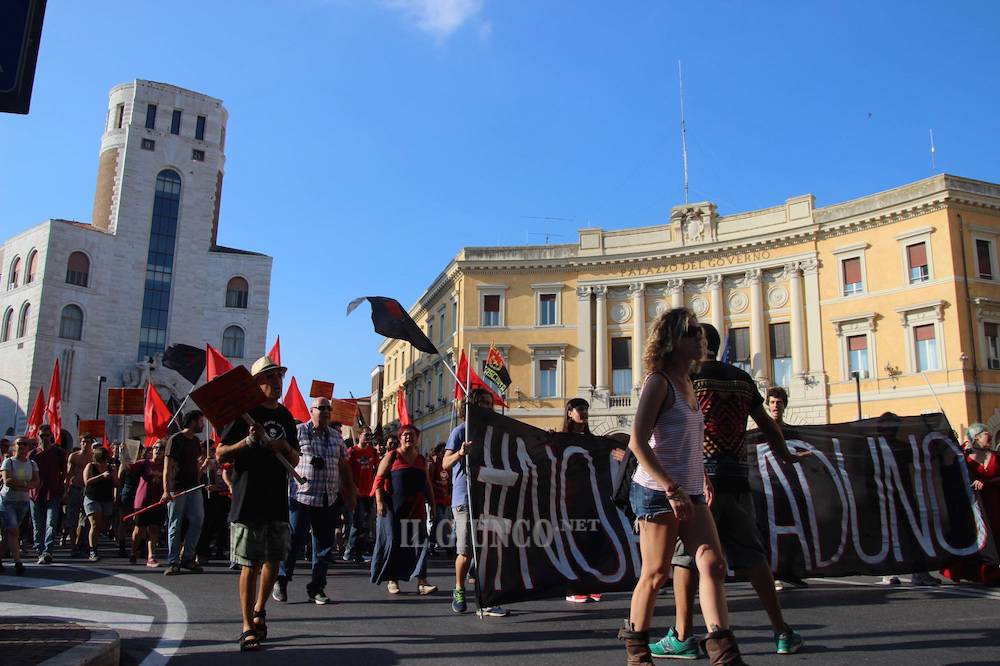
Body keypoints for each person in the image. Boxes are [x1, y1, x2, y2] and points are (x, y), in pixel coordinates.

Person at [647, 322, 805, 661]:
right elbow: (767, 425)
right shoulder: (741, 378)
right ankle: (781, 631)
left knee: (686, 558)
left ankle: (683, 636)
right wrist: (786, 455)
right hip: (736, 477)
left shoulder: (686, 380)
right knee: (753, 556)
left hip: (697, 481)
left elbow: (690, 429)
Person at [618, 309, 746, 666]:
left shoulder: (688, 381)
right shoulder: (658, 382)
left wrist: (699, 474)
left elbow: (687, 440)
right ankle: (638, 654)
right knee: (656, 573)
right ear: (671, 340)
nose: (700, 338)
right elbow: (637, 443)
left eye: (699, 333)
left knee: (713, 564)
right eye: (691, 332)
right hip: (658, 492)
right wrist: (670, 488)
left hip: (688, 487)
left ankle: (724, 654)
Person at [216, 355, 300, 652]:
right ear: (256, 383)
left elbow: (295, 458)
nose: (277, 382)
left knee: (274, 559)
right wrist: (248, 443)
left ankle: (260, 609)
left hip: (277, 498)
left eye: (279, 376)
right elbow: (221, 453)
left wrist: (283, 446)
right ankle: (246, 626)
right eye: (270, 377)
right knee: (249, 563)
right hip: (248, 497)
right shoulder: (244, 415)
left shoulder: (287, 417)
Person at [274, 397, 356, 605]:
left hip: (328, 499)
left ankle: (317, 588)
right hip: (301, 497)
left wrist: (350, 493)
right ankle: (282, 581)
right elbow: (284, 456)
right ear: (312, 411)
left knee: (323, 548)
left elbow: (344, 466)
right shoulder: (298, 431)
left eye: (329, 408)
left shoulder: (337, 437)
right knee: (294, 542)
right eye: (322, 408)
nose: (326, 411)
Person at [443, 388, 509, 617]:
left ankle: (487, 599)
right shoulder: (461, 431)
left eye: (489, 403)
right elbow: (445, 464)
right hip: (465, 497)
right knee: (466, 551)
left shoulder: (493, 433)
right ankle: (459, 589)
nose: (486, 406)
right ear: (470, 405)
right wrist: (461, 452)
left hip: (489, 495)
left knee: (489, 550)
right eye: (481, 402)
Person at [370, 424, 437, 595]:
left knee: (421, 544)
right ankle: (393, 579)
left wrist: (433, 505)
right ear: (400, 438)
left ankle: (422, 582)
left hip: (417, 508)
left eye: (412, 435)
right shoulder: (392, 456)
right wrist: (379, 502)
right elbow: (378, 479)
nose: (409, 437)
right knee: (395, 544)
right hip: (394, 509)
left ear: (417, 438)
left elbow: (428, 485)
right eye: (405, 435)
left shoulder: (421, 460)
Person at [940, 423, 1000, 585]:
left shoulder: (995, 456)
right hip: (975, 507)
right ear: (976, 438)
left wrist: (989, 483)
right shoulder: (963, 458)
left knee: (996, 535)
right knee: (979, 538)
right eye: (985, 434)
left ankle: (993, 571)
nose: (989, 436)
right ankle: (979, 572)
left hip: (995, 503)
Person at [561, 397, 606, 604]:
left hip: (591, 498)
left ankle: (591, 584)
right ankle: (573, 588)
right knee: (575, 541)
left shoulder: (593, 440)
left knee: (592, 541)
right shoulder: (561, 439)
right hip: (570, 499)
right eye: (580, 408)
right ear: (570, 413)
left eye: (586, 409)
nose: (585, 412)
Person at [163, 410, 208, 575]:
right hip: (177, 488)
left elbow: (195, 465)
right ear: (193, 422)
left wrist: (203, 469)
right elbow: (167, 468)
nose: (203, 425)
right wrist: (166, 491)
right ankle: (173, 561)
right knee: (176, 524)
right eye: (201, 421)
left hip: (194, 487)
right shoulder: (175, 440)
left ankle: (188, 557)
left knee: (198, 520)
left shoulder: (196, 441)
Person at [0, 437, 40, 575]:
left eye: (25, 444)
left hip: (23, 502)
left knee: (10, 533)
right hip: (7, 501)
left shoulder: (32, 463)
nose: (22, 446)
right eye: (19, 443)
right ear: (14, 446)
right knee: (14, 531)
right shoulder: (8, 462)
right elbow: (8, 481)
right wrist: (25, 485)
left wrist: (22, 485)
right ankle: (18, 562)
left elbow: (36, 482)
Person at [29, 425, 67, 564]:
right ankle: (40, 551)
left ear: (51, 436)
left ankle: (47, 552)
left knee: (51, 523)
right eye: (41, 435)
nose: (44, 438)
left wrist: (63, 487)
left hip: (54, 493)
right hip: (35, 494)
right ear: (38, 436)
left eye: (46, 435)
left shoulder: (59, 452)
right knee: (37, 525)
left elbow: (65, 472)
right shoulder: (32, 454)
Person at [345, 427, 378, 562]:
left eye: (370, 434)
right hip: (357, 493)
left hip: (369, 493)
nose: (369, 437)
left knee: (364, 524)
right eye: (366, 434)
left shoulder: (372, 451)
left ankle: (356, 552)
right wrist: (351, 489)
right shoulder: (352, 451)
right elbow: (346, 472)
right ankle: (351, 551)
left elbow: (377, 469)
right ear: (360, 435)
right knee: (358, 523)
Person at [131, 442, 166, 567]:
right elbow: (128, 467)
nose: (158, 450)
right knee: (139, 530)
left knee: (154, 529)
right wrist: (124, 454)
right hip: (142, 501)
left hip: (158, 501)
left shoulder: (166, 465)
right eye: (156, 447)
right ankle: (134, 551)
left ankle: (151, 557)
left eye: (161, 448)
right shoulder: (144, 463)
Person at [196, 442, 232, 564]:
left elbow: (225, 478)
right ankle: (202, 553)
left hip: (220, 497)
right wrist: (203, 467)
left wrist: (218, 487)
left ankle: (220, 550)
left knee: (221, 525)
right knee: (205, 526)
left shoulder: (220, 463)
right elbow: (196, 479)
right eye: (209, 449)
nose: (211, 451)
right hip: (205, 498)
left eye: (213, 448)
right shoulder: (201, 462)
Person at [82, 445, 118, 561]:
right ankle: (93, 550)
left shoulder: (111, 468)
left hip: (106, 499)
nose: (104, 462)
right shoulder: (91, 466)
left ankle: (91, 543)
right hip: (92, 498)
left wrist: (113, 475)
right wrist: (101, 476)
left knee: (103, 525)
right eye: (102, 460)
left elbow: (117, 484)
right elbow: (87, 481)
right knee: (95, 524)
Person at [65, 435, 95, 556]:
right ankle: (73, 546)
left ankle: (82, 543)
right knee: (72, 520)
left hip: (87, 490)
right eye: (83, 442)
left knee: (86, 520)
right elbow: (68, 475)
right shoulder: (74, 456)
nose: (85, 444)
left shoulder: (93, 457)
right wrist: (65, 490)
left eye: (87, 442)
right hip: (75, 489)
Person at [426, 443, 452, 556]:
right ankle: (446, 546)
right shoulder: (433, 465)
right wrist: (438, 489)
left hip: (446, 499)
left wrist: (449, 492)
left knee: (440, 523)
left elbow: (449, 482)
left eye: (445, 452)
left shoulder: (447, 465)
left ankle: (431, 545)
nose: (443, 454)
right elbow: (429, 483)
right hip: (436, 499)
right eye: (442, 451)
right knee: (441, 521)